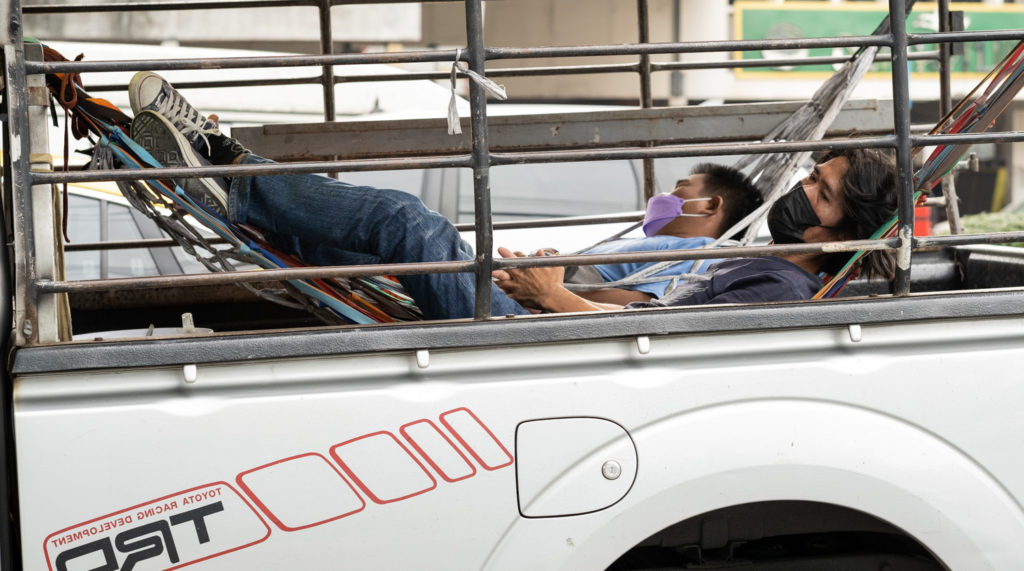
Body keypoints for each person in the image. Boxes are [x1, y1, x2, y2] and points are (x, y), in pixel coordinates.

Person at [126, 71, 764, 320]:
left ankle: (229, 173)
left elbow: (634, 313)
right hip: (524, 308)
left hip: (526, 331)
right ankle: (229, 187)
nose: (664, 196)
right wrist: (539, 274)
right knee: (348, 247)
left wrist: (548, 287)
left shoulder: (702, 261)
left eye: (679, 190)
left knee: (411, 222)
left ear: (708, 209)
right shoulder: (646, 242)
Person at [494, 147, 899, 312]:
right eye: (811, 176)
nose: (801, 187)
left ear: (837, 237)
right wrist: (545, 293)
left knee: (429, 233)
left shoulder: (779, 289)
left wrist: (550, 294)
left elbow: (653, 339)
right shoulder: (757, 262)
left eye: (821, 193)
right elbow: (644, 319)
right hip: (544, 317)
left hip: (552, 332)